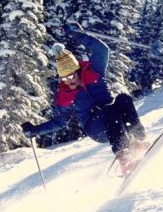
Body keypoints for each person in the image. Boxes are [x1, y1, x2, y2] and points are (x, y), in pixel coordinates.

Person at [22, 23, 148, 174]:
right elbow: (60, 122)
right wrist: (35, 130)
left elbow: (102, 50)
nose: (68, 81)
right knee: (108, 110)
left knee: (123, 98)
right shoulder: (64, 96)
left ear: (77, 70)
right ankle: (124, 157)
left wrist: (80, 35)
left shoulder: (94, 71)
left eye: (70, 76)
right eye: (63, 79)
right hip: (95, 127)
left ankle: (140, 141)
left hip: (113, 117)